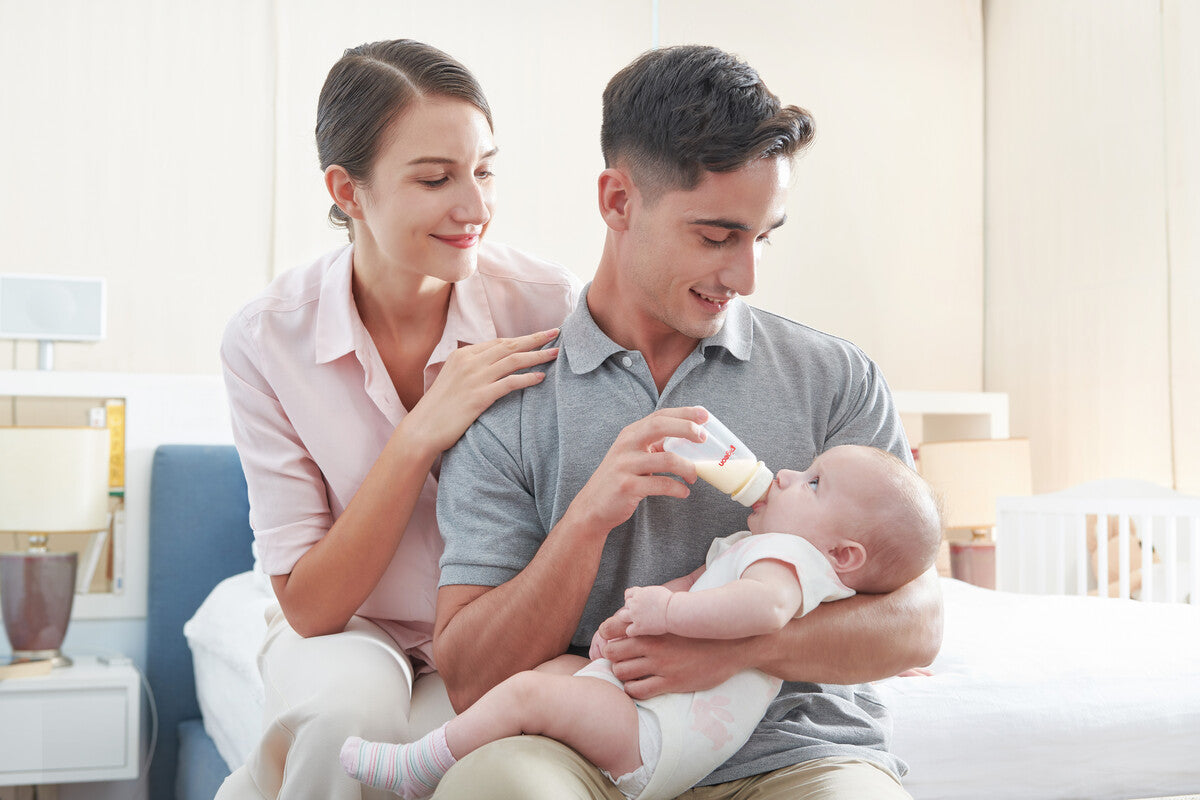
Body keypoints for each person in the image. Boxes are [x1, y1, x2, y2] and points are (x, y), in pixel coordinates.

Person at [431, 44, 943, 799]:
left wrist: (743, 649)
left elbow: (917, 624)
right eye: (716, 236)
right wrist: (586, 519)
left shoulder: (833, 378)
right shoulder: (511, 403)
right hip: (583, 746)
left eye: (763, 236)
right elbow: (471, 679)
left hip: (795, 754)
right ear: (618, 202)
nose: (746, 276)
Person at [216, 39, 581, 800]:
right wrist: (421, 433)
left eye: (484, 171)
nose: (475, 208)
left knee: (476, 752)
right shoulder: (267, 340)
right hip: (350, 628)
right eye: (435, 178)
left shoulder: (546, 306)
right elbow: (311, 606)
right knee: (347, 716)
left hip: (489, 624)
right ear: (348, 190)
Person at [341, 444, 942, 800]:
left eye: (813, 483)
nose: (785, 475)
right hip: (651, 713)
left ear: (845, 557)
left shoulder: (791, 564)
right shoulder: (767, 547)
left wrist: (672, 614)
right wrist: (635, 618)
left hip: (659, 736)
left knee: (530, 693)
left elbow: (761, 610)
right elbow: (704, 584)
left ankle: (418, 765)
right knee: (555, 670)